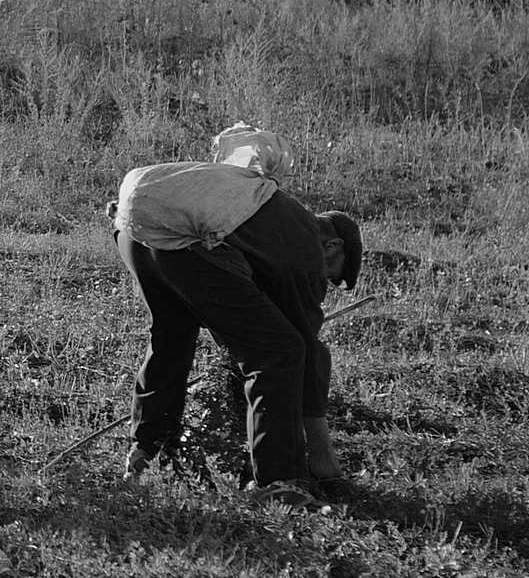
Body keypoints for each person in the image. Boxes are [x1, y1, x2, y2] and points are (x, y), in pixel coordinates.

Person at [109, 124, 362, 512]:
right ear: (331, 246)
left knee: (172, 335)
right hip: (179, 240)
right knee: (280, 351)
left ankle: (148, 454)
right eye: (335, 272)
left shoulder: (266, 216)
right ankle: (278, 484)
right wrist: (324, 459)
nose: (326, 281)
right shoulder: (304, 246)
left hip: (134, 228)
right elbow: (304, 351)